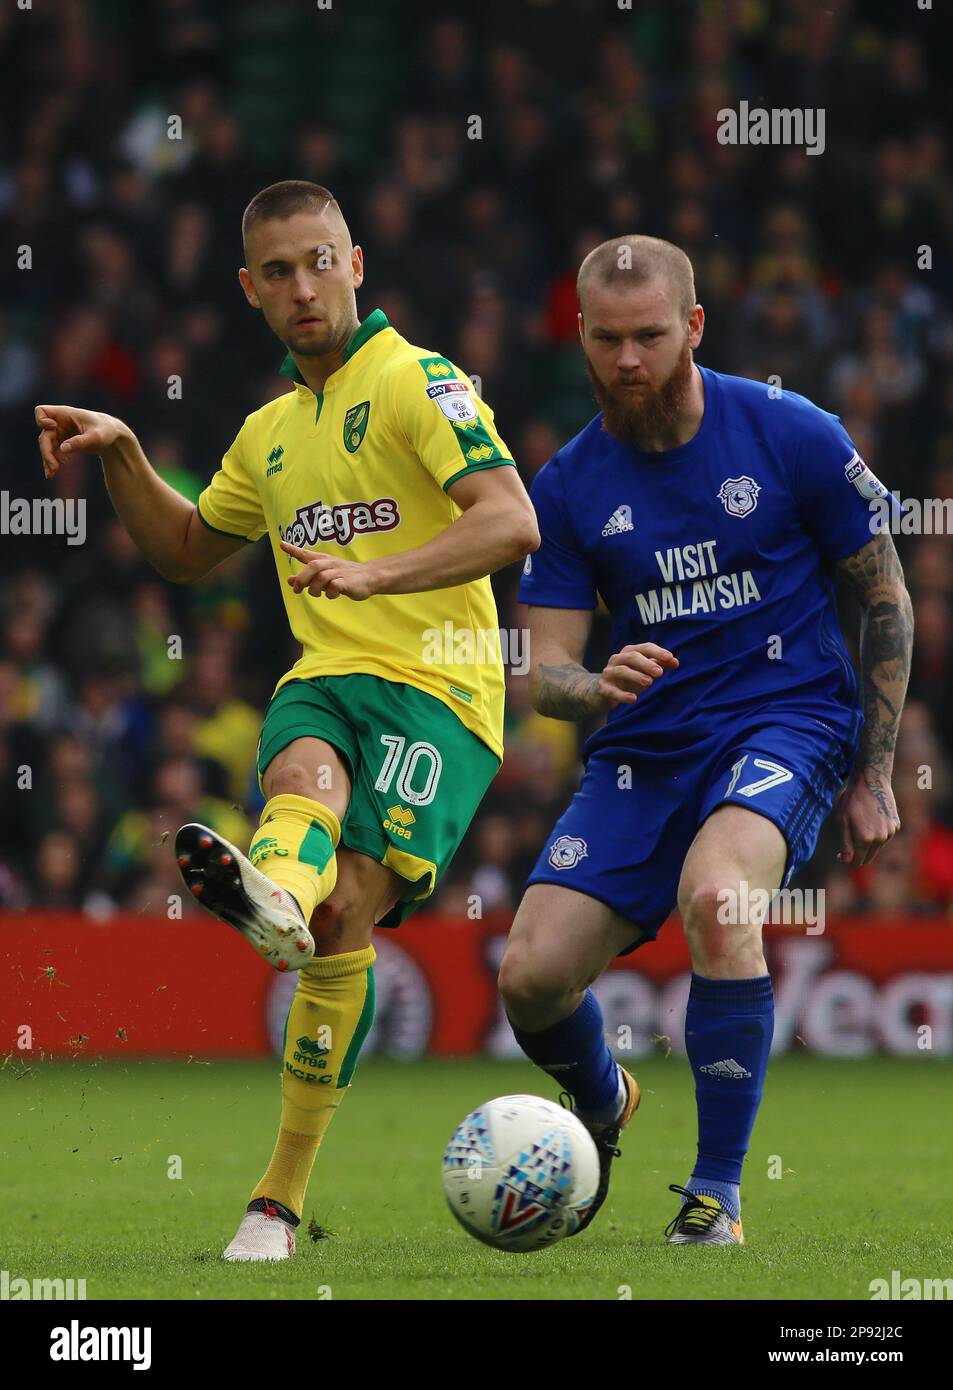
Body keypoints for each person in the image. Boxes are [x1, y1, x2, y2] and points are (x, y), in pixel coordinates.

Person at [36, 181, 538, 1262]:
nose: (302, 286)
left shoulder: (421, 380)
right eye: (278, 271)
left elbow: (511, 521)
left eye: (319, 261)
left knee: (348, 914)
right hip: (327, 675)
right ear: (249, 290)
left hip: (442, 691)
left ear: (356, 262)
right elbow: (183, 550)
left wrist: (381, 571)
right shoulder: (267, 432)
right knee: (299, 783)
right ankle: (275, 898)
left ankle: (280, 1188)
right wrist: (125, 452)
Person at [500, 234, 913, 1245]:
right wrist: (592, 682)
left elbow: (884, 598)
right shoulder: (562, 485)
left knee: (717, 896)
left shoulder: (790, 433)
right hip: (644, 748)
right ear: (583, 340)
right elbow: (537, 668)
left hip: (788, 718)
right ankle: (604, 1105)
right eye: (606, 340)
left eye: (648, 336)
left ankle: (714, 1196)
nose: (627, 360)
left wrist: (872, 769)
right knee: (529, 976)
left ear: (691, 326)